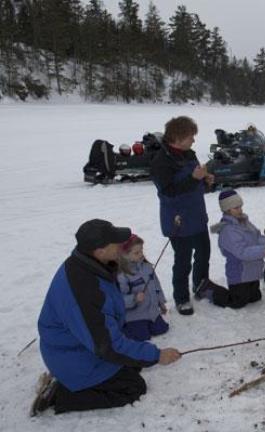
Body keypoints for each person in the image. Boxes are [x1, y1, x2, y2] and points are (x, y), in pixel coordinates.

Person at [35, 219, 181, 415]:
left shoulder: (88, 264)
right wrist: (157, 355)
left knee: (133, 365)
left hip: (83, 346)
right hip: (74, 357)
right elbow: (107, 346)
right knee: (133, 386)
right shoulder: (84, 289)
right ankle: (61, 396)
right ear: (99, 250)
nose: (121, 245)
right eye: (115, 242)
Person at [150, 116, 214, 316]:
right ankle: (181, 297)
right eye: (190, 137)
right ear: (177, 137)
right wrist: (193, 178)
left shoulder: (189, 154)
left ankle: (201, 286)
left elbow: (195, 184)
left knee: (204, 255)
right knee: (183, 261)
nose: (193, 141)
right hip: (178, 219)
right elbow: (168, 191)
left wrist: (206, 181)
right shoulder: (161, 161)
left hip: (197, 215)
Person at [200, 190, 265, 308]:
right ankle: (208, 288)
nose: (240, 210)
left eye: (240, 206)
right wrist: (264, 251)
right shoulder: (228, 230)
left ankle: (247, 290)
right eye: (236, 208)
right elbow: (242, 252)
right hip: (240, 273)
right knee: (237, 302)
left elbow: (257, 237)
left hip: (253, 271)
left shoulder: (245, 222)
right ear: (226, 210)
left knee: (255, 297)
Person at [117, 234, 169, 341]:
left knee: (162, 329)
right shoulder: (122, 275)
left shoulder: (147, 266)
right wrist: (134, 298)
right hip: (134, 314)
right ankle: (123, 327)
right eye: (136, 253)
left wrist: (161, 302)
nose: (141, 254)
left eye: (141, 250)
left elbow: (156, 285)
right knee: (141, 337)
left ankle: (149, 322)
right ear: (125, 255)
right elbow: (119, 299)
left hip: (151, 311)